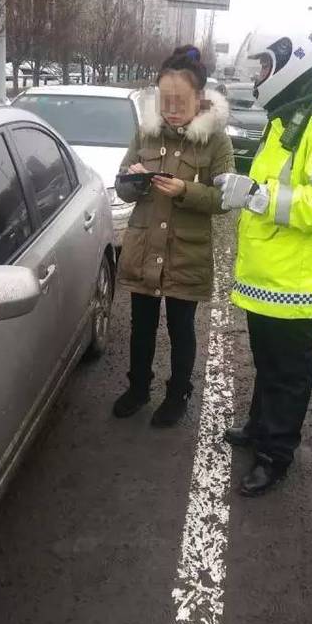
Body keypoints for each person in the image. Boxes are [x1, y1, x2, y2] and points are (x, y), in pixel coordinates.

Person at [216, 14, 312, 496]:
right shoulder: (293, 114)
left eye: (264, 66)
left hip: (296, 282)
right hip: (271, 275)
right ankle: (260, 428)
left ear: (290, 61)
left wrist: (255, 194)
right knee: (268, 362)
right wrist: (241, 182)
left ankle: (275, 455)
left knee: (287, 373)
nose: (258, 77)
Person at [113, 45, 235, 427]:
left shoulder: (216, 141)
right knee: (142, 325)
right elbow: (121, 187)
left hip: (186, 251)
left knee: (182, 329)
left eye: (180, 101)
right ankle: (138, 388)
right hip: (145, 246)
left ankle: (178, 393)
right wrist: (133, 181)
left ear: (199, 98)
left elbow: (224, 199)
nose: (171, 108)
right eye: (165, 100)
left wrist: (185, 190)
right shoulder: (146, 133)